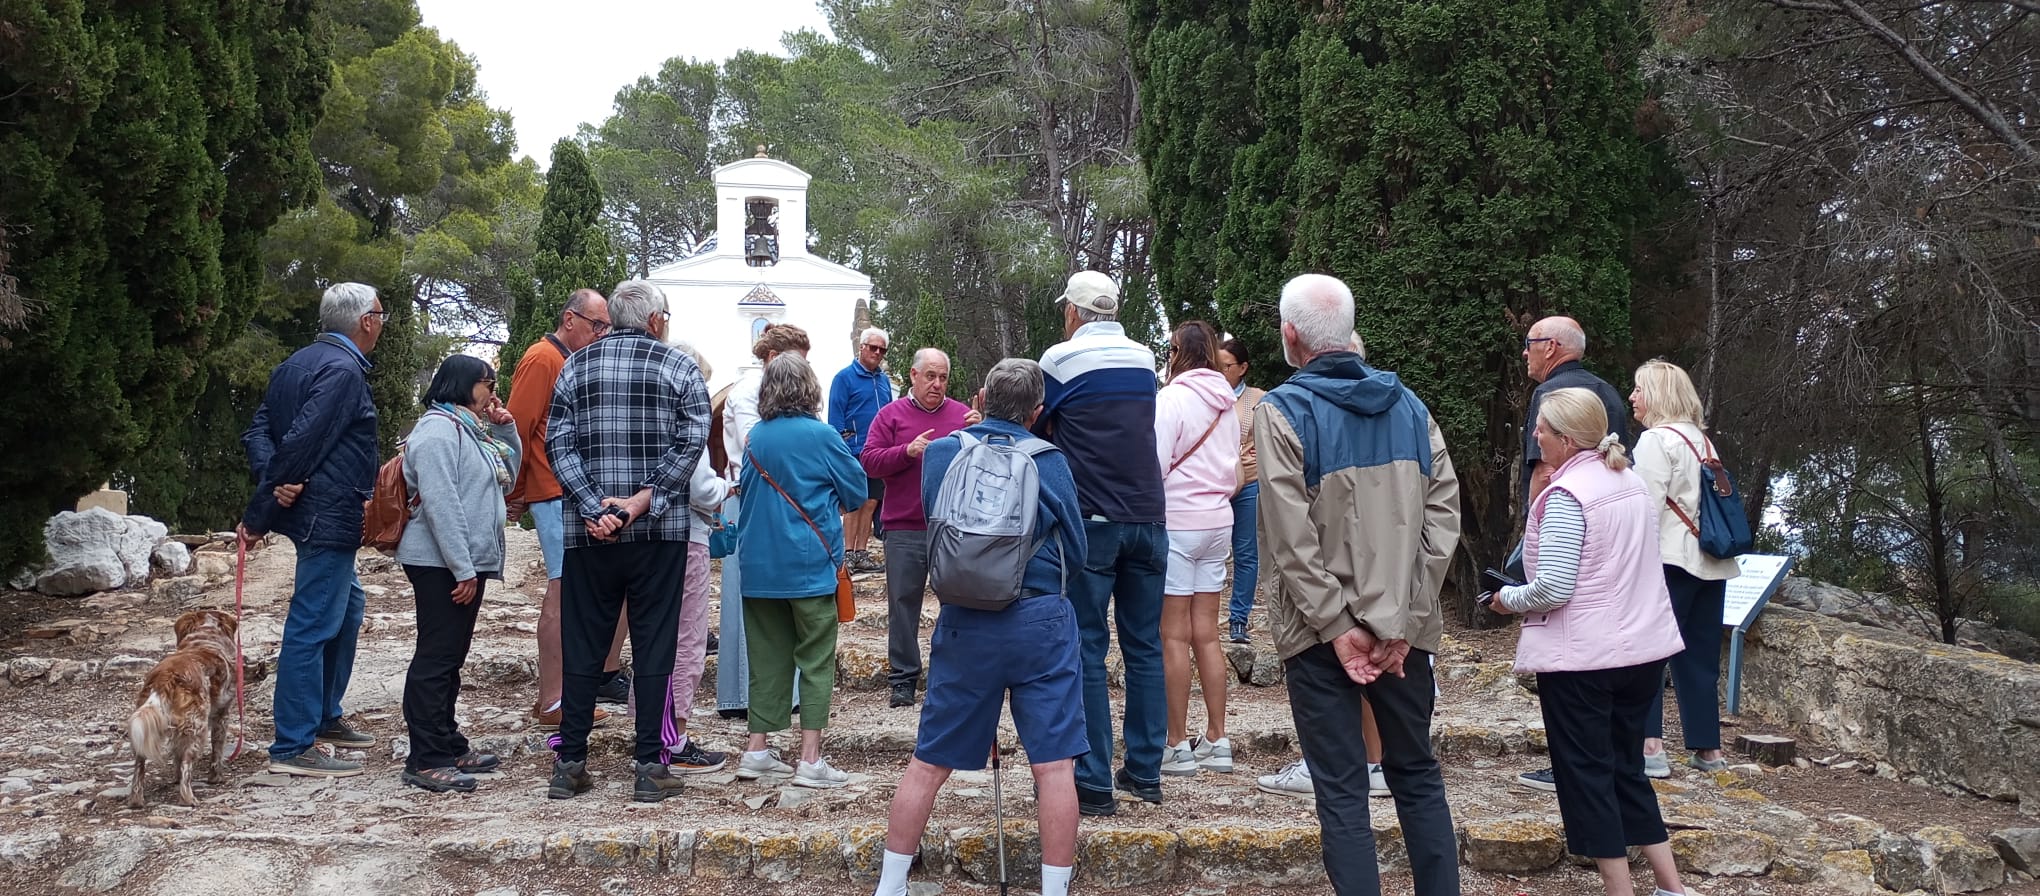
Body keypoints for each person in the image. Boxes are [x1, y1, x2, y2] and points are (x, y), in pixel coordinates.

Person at [1257, 273, 1460, 896]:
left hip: (1320, 634)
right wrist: (1402, 620)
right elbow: (1444, 521)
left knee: (1341, 790)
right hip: (1405, 629)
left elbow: (1290, 537)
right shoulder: (1413, 409)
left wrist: (1341, 627)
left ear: (1291, 336)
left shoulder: (1282, 410)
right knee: (1417, 774)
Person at [872, 358, 1088, 896]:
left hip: (966, 620)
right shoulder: (1050, 460)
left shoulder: (944, 452)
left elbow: (936, 524)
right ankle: (1055, 891)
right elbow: (1078, 550)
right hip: (1039, 622)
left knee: (927, 763)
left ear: (982, 397)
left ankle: (891, 885)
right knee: (1054, 767)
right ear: (1037, 412)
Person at [1482, 387, 1695, 896]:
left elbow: (1554, 588)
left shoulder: (1566, 497)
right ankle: (1671, 887)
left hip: (1584, 658)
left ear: (1568, 438)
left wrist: (1506, 599)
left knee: (1587, 776)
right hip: (1642, 649)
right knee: (1628, 769)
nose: (1535, 435)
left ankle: (1620, 891)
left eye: (1543, 429)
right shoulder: (1630, 483)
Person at [543, 279, 711, 804]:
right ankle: (648, 764)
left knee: (585, 644)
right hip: (658, 533)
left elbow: (558, 444)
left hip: (588, 535)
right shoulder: (679, 369)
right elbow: (692, 441)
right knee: (655, 642)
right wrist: (643, 500)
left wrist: (596, 506)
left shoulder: (575, 366)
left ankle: (570, 763)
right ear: (657, 320)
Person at [1035, 269, 1168, 817]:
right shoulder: (1144, 359)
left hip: (1094, 519)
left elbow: (1038, 425)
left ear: (1073, 313)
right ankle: (1145, 771)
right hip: (1150, 515)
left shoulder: (1058, 360)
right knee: (1145, 648)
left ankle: (1092, 781)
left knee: (1088, 646)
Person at [239, 282, 386, 778]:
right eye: (381, 314)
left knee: (349, 609)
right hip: (327, 513)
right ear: (366, 320)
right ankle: (293, 745)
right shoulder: (343, 370)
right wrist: (268, 500)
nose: (383, 323)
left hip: (313, 509)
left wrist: (276, 482)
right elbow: (304, 438)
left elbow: (259, 432)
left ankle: (324, 717)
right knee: (312, 623)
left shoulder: (295, 363)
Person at [736, 353, 868, 789]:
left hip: (757, 566)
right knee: (815, 658)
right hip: (810, 565)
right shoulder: (823, 436)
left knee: (766, 657)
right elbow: (856, 493)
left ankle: (757, 748)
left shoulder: (755, 438)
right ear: (809, 388)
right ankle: (810, 758)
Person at [1514, 315, 1631, 792]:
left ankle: (1572, 765)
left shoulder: (1550, 399)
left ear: (1553, 347)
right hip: (1609, 542)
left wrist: (1532, 528)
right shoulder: (1610, 393)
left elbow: (1543, 470)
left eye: (1530, 343)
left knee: (1568, 649)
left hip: (1567, 530)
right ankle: (1612, 760)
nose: (1524, 352)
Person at [394, 355, 520, 792]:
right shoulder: (436, 431)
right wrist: (462, 568)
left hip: (462, 562)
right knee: (435, 658)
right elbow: (441, 504)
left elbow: (506, 480)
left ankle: (447, 741)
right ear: (463, 385)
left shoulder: (471, 430)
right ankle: (425, 757)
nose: (492, 391)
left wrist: (506, 428)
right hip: (439, 563)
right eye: (487, 383)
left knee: (451, 657)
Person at [505, 288, 621, 731]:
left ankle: (561, 696)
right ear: (570, 320)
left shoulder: (567, 361)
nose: (601, 333)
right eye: (596, 325)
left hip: (565, 492)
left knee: (569, 592)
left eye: (606, 326)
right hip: (552, 494)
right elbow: (517, 427)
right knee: (560, 593)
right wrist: (514, 492)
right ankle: (553, 701)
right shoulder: (543, 359)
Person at [621, 341, 732, 774]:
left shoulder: (639, 416)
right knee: (687, 637)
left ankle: (647, 727)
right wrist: (727, 488)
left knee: (649, 636)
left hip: (643, 536)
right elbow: (701, 487)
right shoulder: (686, 420)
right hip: (687, 534)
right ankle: (674, 734)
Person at [1631, 360, 1741, 776]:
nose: (1633, 398)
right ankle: (1707, 749)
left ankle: (1649, 746)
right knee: (1699, 657)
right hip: (1711, 562)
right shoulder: (1702, 441)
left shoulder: (1655, 441)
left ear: (1657, 394)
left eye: (1640, 390)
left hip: (1668, 561)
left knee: (1648, 653)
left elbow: (1647, 509)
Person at [860, 348, 977, 709]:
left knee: (959, 605)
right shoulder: (890, 415)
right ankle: (903, 679)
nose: (937, 384)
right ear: (913, 375)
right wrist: (905, 452)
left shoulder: (962, 415)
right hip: (904, 527)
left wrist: (982, 432)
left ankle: (953, 675)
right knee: (902, 604)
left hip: (953, 527)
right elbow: (868, 462)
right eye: (930, 376)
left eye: (943, 377)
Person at [1153, 321, 1240, 778]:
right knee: (1207, 633)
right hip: (1218, 522)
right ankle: (1217, 737)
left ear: (1177, 353)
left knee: (1174, 635)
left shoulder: (1171, 399)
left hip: (1179, 522)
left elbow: (1155, 462)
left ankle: (1176, 742)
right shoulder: (1228, 402)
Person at [716, 324, 812, 720]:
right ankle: (743, 693)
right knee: (747, 596)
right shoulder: (746, 392)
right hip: (750, 498)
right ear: (774, 357)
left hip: (775, 498)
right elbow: (759, 448)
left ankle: (780, 691)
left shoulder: (773, 392)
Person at [830, 327, 893, 574]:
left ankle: (862, 552)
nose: (877, 353)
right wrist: (840, 450)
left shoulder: (884, 380)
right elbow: (835, 417)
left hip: (879, 451)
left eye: (882, 349)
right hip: (854, 451)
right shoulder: (844, 378)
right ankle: (847, 554)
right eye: (873, 347)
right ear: (862, 347)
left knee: (870, 502)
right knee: (853, 504)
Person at [1217, 338, 1267, 645]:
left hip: (1248, 482)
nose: (1220, 371)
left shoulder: (1259, 399)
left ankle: (1238, 619)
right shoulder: (1206, 396)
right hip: (1211, 485)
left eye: (1226, 366)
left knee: (1246, 554)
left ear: (1243, 368)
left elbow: (1270, 440)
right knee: (1207, 553)